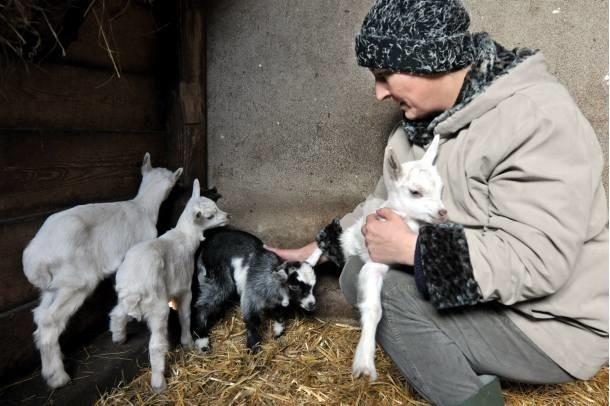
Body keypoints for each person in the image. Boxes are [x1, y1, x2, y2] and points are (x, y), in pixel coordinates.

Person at [266, 0, 609, 404]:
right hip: (496, 302)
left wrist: (415, 250)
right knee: (358, 269)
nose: (378, 94)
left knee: (387, 289)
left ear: (426, 62)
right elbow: (383, 203)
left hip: (552, 326)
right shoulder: (419, 129)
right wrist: (315, 250)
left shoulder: (536, 121)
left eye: (383, 76)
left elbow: (539, 260)